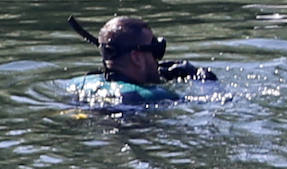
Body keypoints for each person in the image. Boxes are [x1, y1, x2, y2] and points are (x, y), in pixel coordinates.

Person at [67, 13, 218, 107]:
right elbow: (212, 104)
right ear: (136, 57)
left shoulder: (78, 84)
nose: (156, 61)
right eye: (155, 52)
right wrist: (207, 81)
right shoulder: (156, 96)